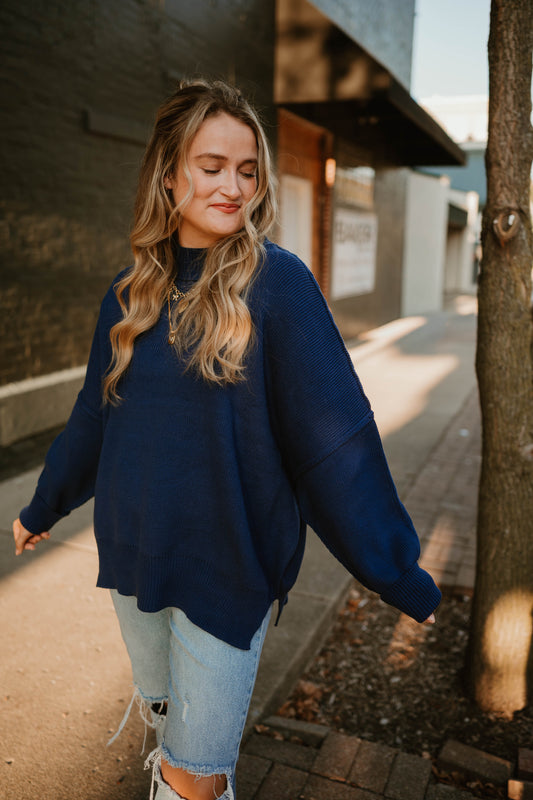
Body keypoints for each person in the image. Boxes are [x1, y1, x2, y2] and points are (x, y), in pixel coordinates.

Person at [13, 78, 440, 800]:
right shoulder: (129, 293)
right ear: (169, 173)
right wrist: (43, 505)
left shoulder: (277, 285)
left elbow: (335, 444)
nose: (234, 187)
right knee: (169, 730)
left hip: (227, 574)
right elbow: (93, 415)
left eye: (247, 171)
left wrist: (396, 571)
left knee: (195, 776)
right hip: (136, 558)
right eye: (212, 167)